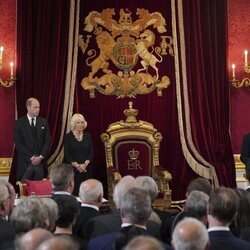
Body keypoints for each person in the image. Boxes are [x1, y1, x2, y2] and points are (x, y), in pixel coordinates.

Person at [14, 97, 50, 181]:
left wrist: (40, 157)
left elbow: (47, 142)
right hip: (25, 164)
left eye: (39, 107)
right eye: (35, 107)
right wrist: (32, 157)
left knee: (39, 191)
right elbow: (19, 144)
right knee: (24, 191)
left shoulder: (44, 122)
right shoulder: (19, 123)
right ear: (28, 107)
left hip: (40, 164)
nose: (38, 110)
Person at [64, 113, 93, 196]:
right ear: (73, 124)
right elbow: (67, 155)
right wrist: (78, 166)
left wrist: (84, 165)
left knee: (86, 194)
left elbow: (91, 153)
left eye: (82, 122)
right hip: (73, 171)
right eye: (78, 122)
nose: (80, 125)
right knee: (75, 194)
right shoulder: (68, 137)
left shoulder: (88, 136)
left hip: (86, 170)